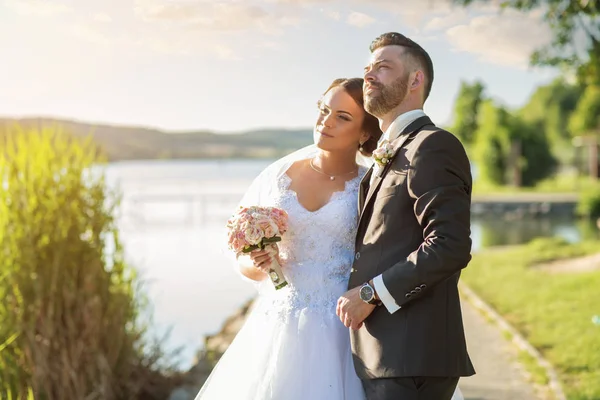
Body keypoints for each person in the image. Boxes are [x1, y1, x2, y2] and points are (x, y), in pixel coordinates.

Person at [194, 77, 380, 399]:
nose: (326, 122)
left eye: (343, 117)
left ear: (364, 133)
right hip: (279, 320)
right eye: (324, 110)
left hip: (344, 323)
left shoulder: (370, 186)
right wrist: (260, 264)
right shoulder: (278, 177)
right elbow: (242, 258)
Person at [336, 32, 475, 399]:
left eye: (383, 68)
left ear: (416, 80)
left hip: (412, 357)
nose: (369, 76)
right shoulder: (391, 151)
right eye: (368, 68)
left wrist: (370, 292)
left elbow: (450, 245)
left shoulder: (432, 145)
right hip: (385, 356)